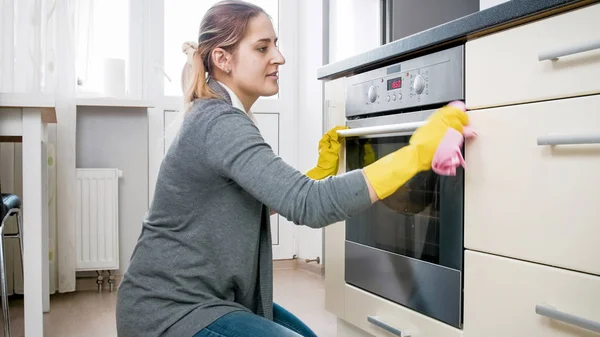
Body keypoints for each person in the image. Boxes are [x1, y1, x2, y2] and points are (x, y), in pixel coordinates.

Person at [115, 1, 469, 336]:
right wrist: (418, 151)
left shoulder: (224, 114)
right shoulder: (219, 121)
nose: (279, 58)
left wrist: (318, 172)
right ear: (223, 58)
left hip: (210, 300)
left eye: (276, 46)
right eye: (262, 48)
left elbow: (252, 207)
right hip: (170, 313)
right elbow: (309, 205)